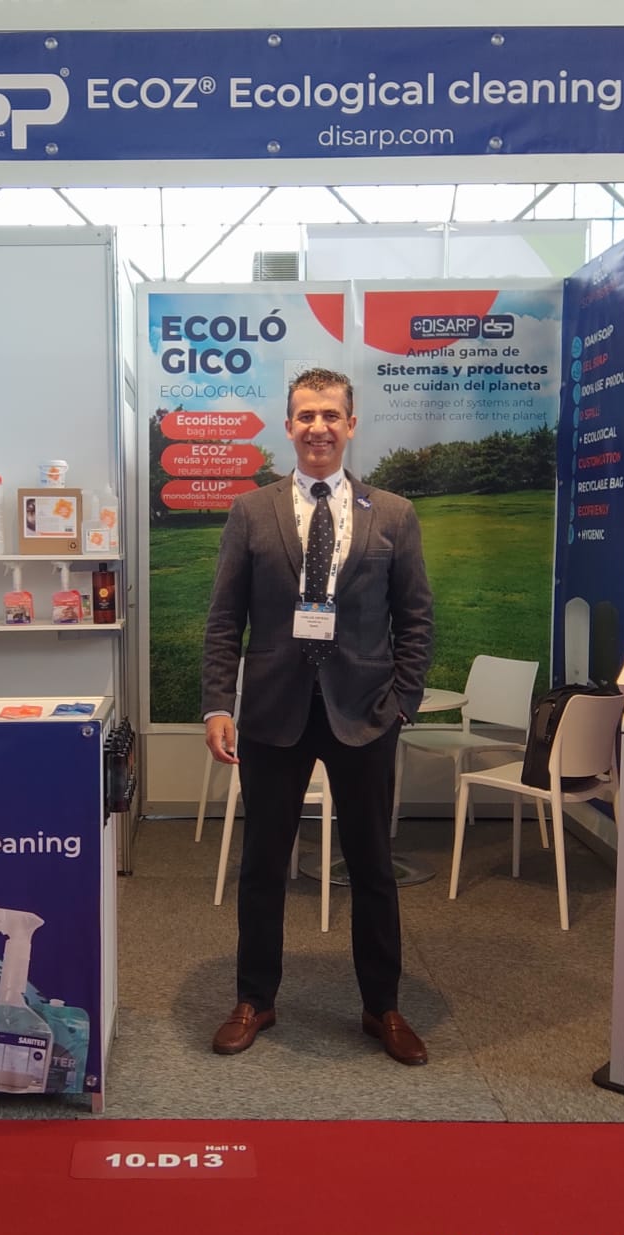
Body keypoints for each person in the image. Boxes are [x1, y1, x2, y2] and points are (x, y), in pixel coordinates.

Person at [201, 367, 434, 1065]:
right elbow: (224, 620)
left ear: (351, 425)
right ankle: (255, 998)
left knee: (372, 868)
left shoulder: (392, 514)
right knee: (262, 865)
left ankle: (382, 1007)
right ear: (289, 425)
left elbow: (415, 619)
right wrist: (218, 703)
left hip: (363, 713)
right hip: (273, 712)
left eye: (330, 414)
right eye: (306, 415)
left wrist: (403, 703)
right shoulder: (252, 512)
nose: (318, 427)